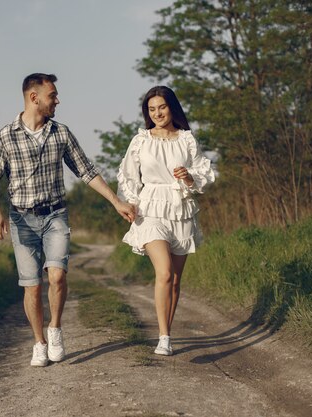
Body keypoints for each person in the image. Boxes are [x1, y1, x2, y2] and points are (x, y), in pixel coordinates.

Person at [0, 73, 136, 367]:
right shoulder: (4, 136)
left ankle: (55, 329)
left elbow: (86, 171)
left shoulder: (61, 133)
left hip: (55, 215)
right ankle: (39, 342)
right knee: (32, 285)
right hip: (22, 220)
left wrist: (116, 201)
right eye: (52, 95)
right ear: (34, 97)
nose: (58, 100)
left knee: (57, 276)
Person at [117, 85, 215, 356]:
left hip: (180, 209)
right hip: (150, 209)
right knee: (164, 273)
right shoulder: (141, 140)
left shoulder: (187, 140)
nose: (157, 113)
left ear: (171, 107)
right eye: (151, 109)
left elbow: (204, 174)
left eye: (161, 107)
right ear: (147, 113)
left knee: (175, 280)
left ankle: (168, 333)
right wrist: (129, 204)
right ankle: (162, 336)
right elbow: (127, 176)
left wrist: (189, 177)